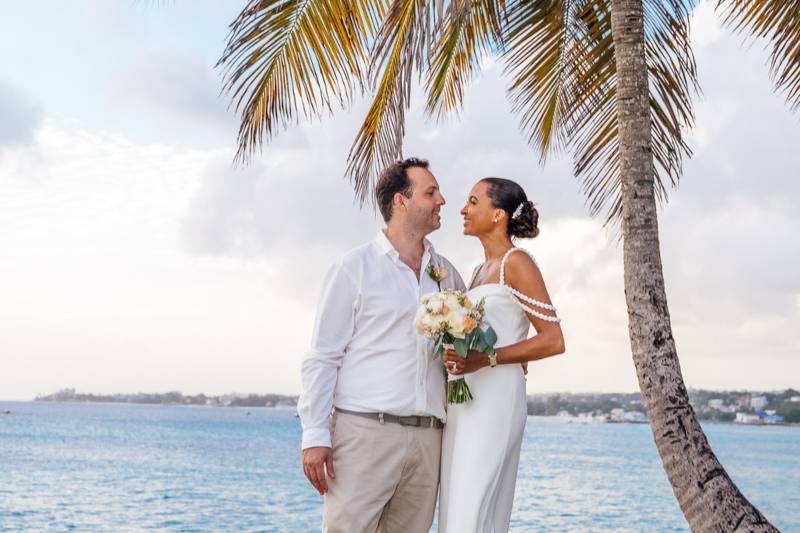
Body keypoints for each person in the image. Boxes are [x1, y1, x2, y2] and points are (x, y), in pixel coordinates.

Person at [297, 158, 465, 533]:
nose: (442, 201)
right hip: (364, 434)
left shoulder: (448, 274)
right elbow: (323, 357)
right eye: (431, 192)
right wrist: (314, 435)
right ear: (400, 202)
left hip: (429, 439)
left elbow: (463, 349)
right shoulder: (352, 268)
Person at [438, 177, 565, 533]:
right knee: (456, 501)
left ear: (498, 215)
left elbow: (553, 339)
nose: (463, 209)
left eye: (473, 201)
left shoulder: (517, 262)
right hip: (464, 400)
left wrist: (487, 358)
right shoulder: (478, 272)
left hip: (495, 399)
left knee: (475, 503)